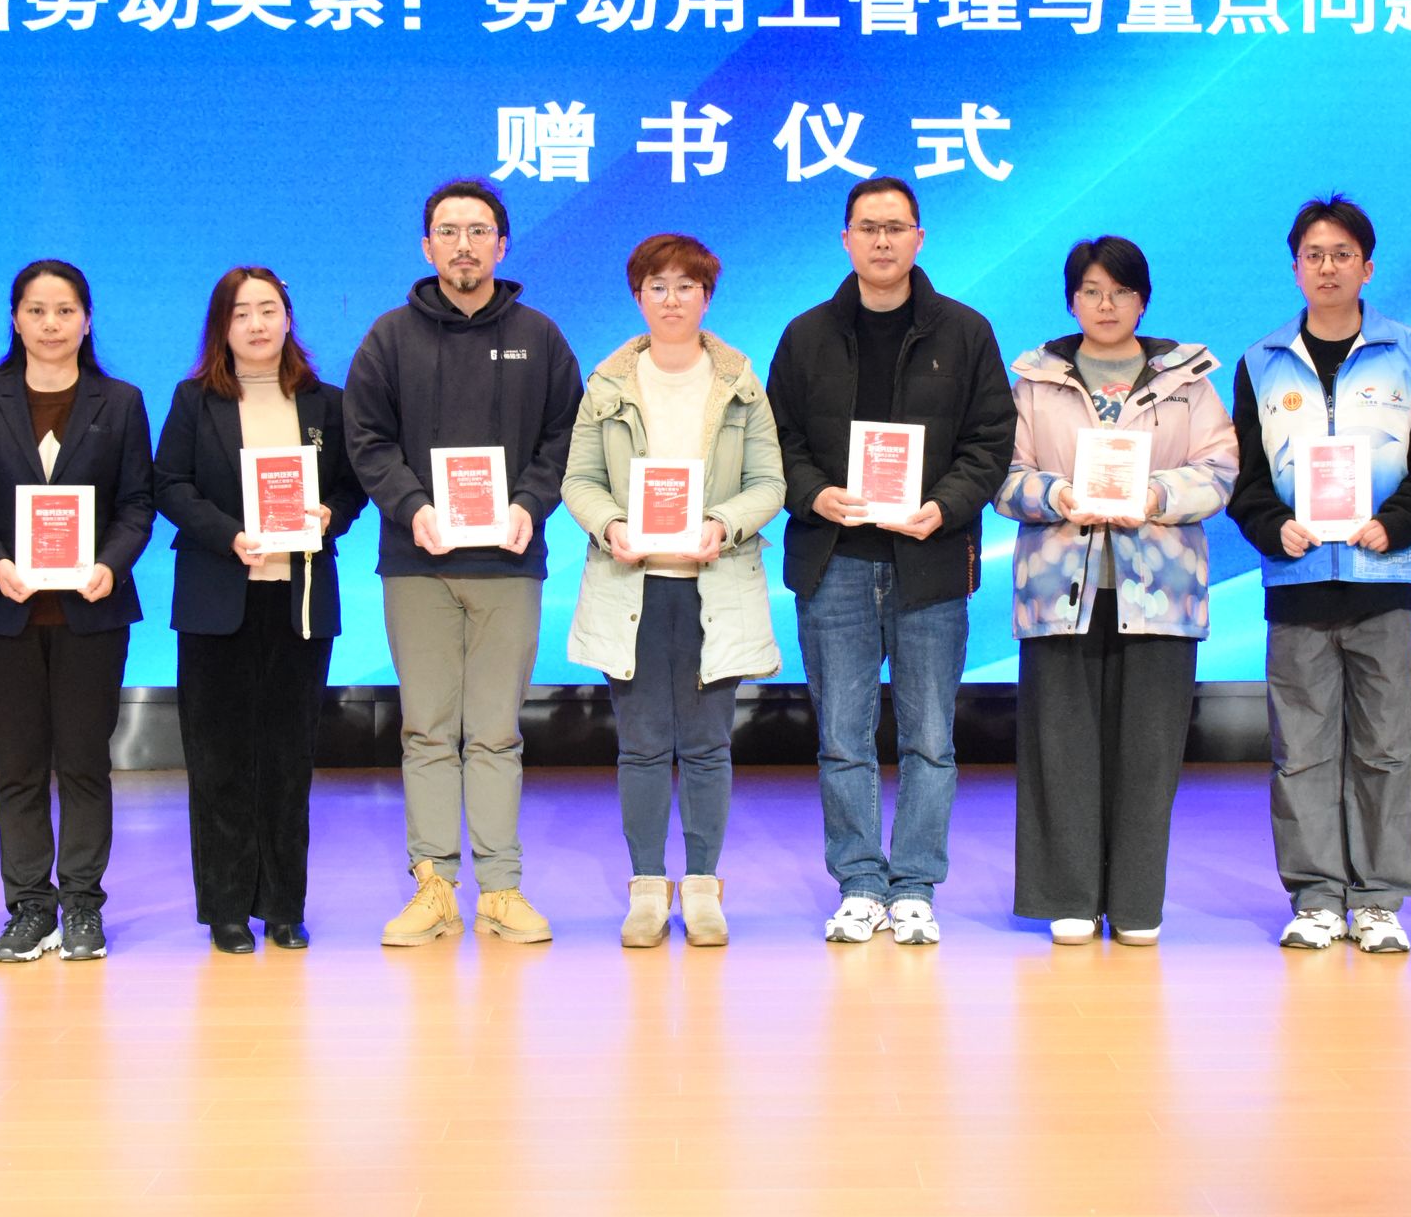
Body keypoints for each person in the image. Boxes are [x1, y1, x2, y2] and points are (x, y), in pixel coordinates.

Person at [766, 176, 1015, 947]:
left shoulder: (965, 333)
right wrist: (814, 495)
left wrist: (943, 505)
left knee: (930, 738)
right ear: (846, 239)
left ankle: (913, 885)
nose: (882, 240)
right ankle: (859, 883)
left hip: (929, 561)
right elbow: (777, 442)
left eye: (896, 227)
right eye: (868, 227)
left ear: (919, 238)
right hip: (835, 560)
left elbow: (990, 442)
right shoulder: (806, 335)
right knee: (842, 738)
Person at [343, 180, 582, 948]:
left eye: (478, 231)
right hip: (418, 565)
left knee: (496, 733)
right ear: (427, 246)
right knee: (427, 730)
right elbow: (367, 440)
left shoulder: (540, 338)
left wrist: (529, 504)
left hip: (508, 565)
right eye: (448, 231)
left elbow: (565, 437)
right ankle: (435, 887)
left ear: (502, 245)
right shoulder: (389, 338)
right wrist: (413, 506)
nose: (464, 245)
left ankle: (502, 889)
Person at [1227, 196, 1411, 956]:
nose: (1327, 267)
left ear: (1367, 266)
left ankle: (1380, 900)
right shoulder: (1261, 362)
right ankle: (1317, 897)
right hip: (1295, 583)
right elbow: (1245, 477)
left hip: (1381, 580)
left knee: (1387, 747)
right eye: (1313, 255)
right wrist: (1273, 527)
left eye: (1341, 254)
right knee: (1301, 750)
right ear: (1296, 268)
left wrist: (1396, 524)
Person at [994, 236, 1237, 947]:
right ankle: (1068, 895)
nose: (1107, 305)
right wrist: (1056, 494)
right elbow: (1002, 476)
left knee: (1149, 752)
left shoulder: (1187, 379)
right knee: (1061, 746)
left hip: (1160, 591)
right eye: (1092, 292)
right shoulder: (1034, 381)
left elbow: (1221, 469)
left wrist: (1156, 495)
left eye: (1121, 292)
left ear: (1143, 300)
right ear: (1072, 301)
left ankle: (1135, 901)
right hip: (1057, 590)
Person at [560, 234, 787, 949]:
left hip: (714, 586)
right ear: (638, 297)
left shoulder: (741, 384)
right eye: (657, 286)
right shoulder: (608, 384)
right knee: (642, 747)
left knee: (709, 746)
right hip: (632, 585)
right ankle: (647, 889)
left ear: (707, 297)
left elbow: (769, 483)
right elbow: (578, 480)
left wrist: (724, 523)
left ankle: (704, 887)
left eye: (686, 286)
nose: (671, 300)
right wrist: (610, 525)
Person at [0, 260, 156, 963]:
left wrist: (109, 564)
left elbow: (137, 504)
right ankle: (30, 907)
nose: (51, 324)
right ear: (15, 319)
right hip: (3, 614)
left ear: (87, 321)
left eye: (65, 311)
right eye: (36, 310)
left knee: (86, 763)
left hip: (92, 613)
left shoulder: (120, 401)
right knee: (20, 767)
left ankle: (83, 906)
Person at [153, 266, 367, 955]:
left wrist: (330, 514)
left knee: (287, 758)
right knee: (218, 759)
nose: (256, 323)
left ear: (288, 318)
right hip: (218, 596)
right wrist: (228, 535)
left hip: (299, 601)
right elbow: (169, 485)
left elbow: (352, 487)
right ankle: (224, 909)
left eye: (268, 309)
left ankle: (282, 906)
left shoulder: (326, 403)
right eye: (241, 312)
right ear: (222, 325)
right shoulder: (194, 401)